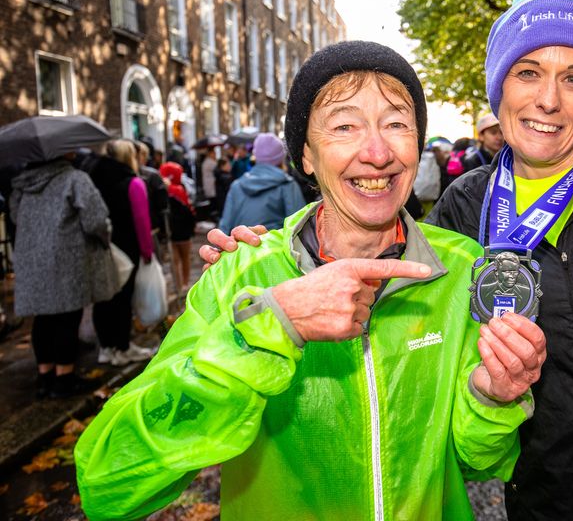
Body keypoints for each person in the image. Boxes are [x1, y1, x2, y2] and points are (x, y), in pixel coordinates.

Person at [209, 0, 573, 520]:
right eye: (527, 73)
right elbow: (376, 262)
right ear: (499, 89)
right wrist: (270, 257)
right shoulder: (465, 206)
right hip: (559, 497)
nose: (549, 99)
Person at [75, 41, 546, 521]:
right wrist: (267, 329)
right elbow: (109, 485)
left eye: (396, 123)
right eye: (344, 125)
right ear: (305, 156)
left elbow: (477, 461)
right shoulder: (243, 272)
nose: (378, 152)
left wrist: (491, 395)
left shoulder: (464, 267)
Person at [10, 154, 114, 397]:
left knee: (43, 318)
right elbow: (95, 220)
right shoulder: (75, 179)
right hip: (66, 259)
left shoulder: (22, 185)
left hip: (31, 258)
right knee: (67, 318)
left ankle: (44, 375)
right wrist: (105, 237)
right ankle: (64, 378)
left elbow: (15, 217)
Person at [88, 140, 156, 366]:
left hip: (101, 247)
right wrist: (147, 250)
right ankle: (123, 347)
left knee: (103, 298)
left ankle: (106, 348)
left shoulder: (93, 179)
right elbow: (141, 221)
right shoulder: (133, 183)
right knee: (123, 298)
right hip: (127, 247)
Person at [218, 133, 306, 234]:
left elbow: (225, 227)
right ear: (281, 158)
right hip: (275, 248)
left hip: (242, 247)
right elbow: (300, 228)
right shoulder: (287, 185)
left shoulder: (237, 186)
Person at [159, 161, 195, 294]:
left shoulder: (163, 190)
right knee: (185, 257)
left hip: (172, 232)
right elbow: (189, 211)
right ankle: (185, 284)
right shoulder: (180, 190)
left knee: (175, 260)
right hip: (184, 231)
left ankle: (179, 285)